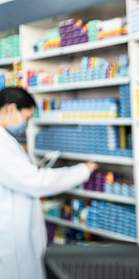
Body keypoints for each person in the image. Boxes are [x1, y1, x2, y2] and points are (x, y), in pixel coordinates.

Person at [0, 87, 98, 279]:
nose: (25, 125)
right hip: (10, 239)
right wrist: (82, 170)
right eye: (26, 118)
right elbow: (35, 182)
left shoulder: (6, 140)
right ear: (11, 109)